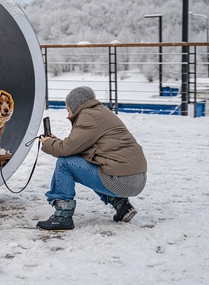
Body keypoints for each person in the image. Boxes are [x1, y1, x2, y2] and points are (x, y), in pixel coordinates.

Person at [37, 86, 147, 231]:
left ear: (76, 107)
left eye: (68, 110)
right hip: (136, 178)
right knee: (92, 165)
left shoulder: (88, 116)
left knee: (64, 164)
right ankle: (122, 206)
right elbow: (81, 149)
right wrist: (56, 142)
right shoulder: (101, 113)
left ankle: (62, 216)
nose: (68, 115)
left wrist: (48, 143)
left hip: (122, 180)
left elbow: (66, 150)